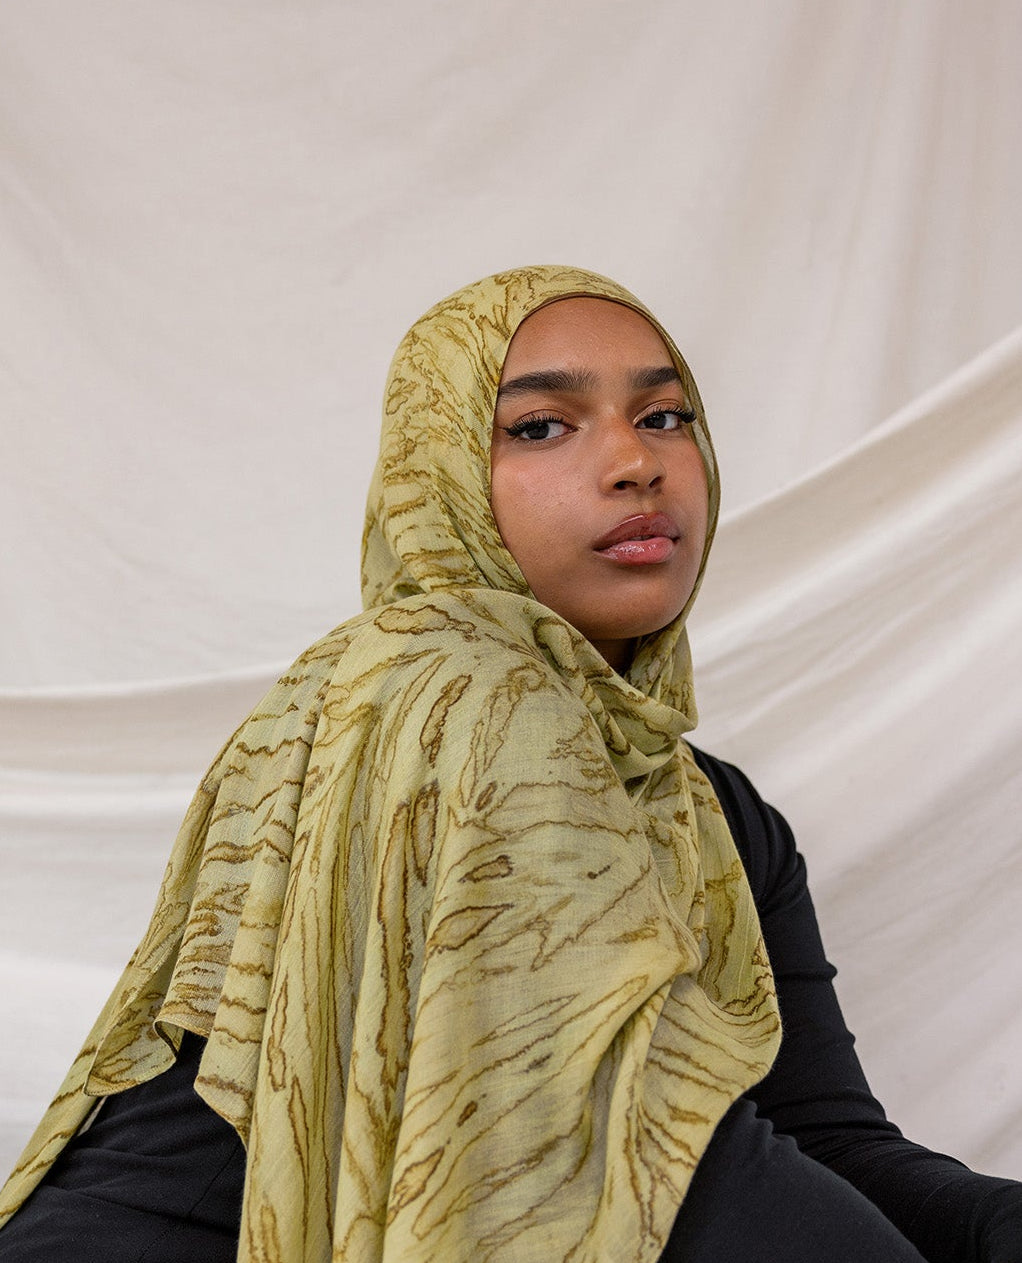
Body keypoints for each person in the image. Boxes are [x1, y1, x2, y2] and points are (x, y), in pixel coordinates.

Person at [0, 265, 1018, 1262]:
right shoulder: (439, 696)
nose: (633, 463)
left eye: (664, 417)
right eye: (539, 427)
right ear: (434, 475)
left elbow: (822, 1142)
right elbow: (660, 1162)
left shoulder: (713, 812)